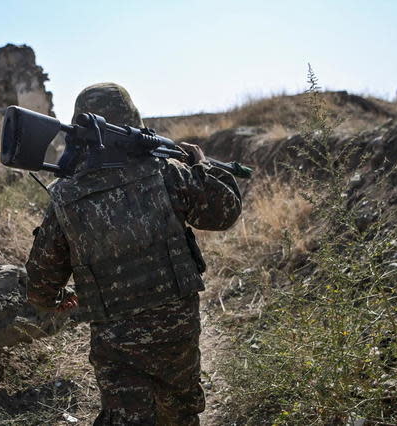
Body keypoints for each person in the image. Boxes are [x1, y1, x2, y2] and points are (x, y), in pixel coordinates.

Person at [25, 82, 242, 425]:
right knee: (180, 413)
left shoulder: (65, 197)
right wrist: (201, 165)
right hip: (177, 330)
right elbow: (224, 213)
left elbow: (40, 286)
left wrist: (55, 300)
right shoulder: (167, 172)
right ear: (132, 124)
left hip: (115, 341)